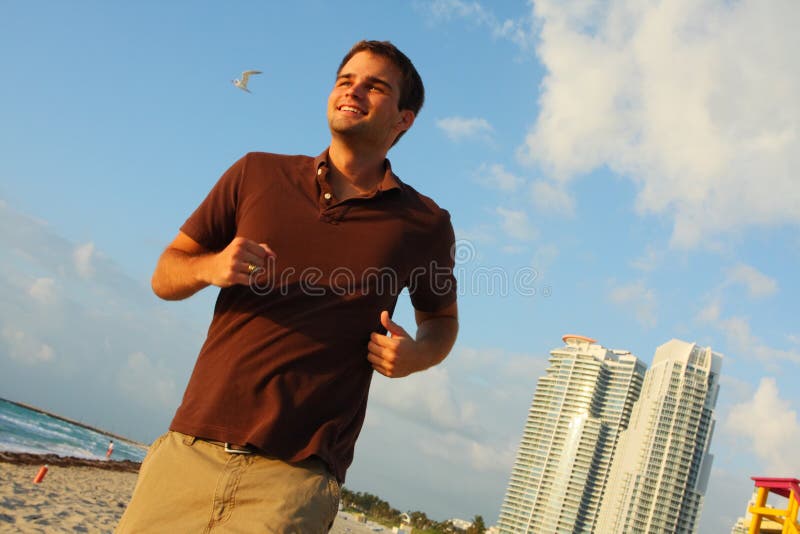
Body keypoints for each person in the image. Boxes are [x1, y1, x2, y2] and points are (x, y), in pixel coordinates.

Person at [116, 40, 458, 533]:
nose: (353, 90)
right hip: (189, 451)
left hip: (294, 480)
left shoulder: (424, 223)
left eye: (374, 86)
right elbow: (165, 274)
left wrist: (417, 356)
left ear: (404, 119)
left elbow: (442, 322)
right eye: (345, 80)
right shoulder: (256, 172)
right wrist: (210, 267)